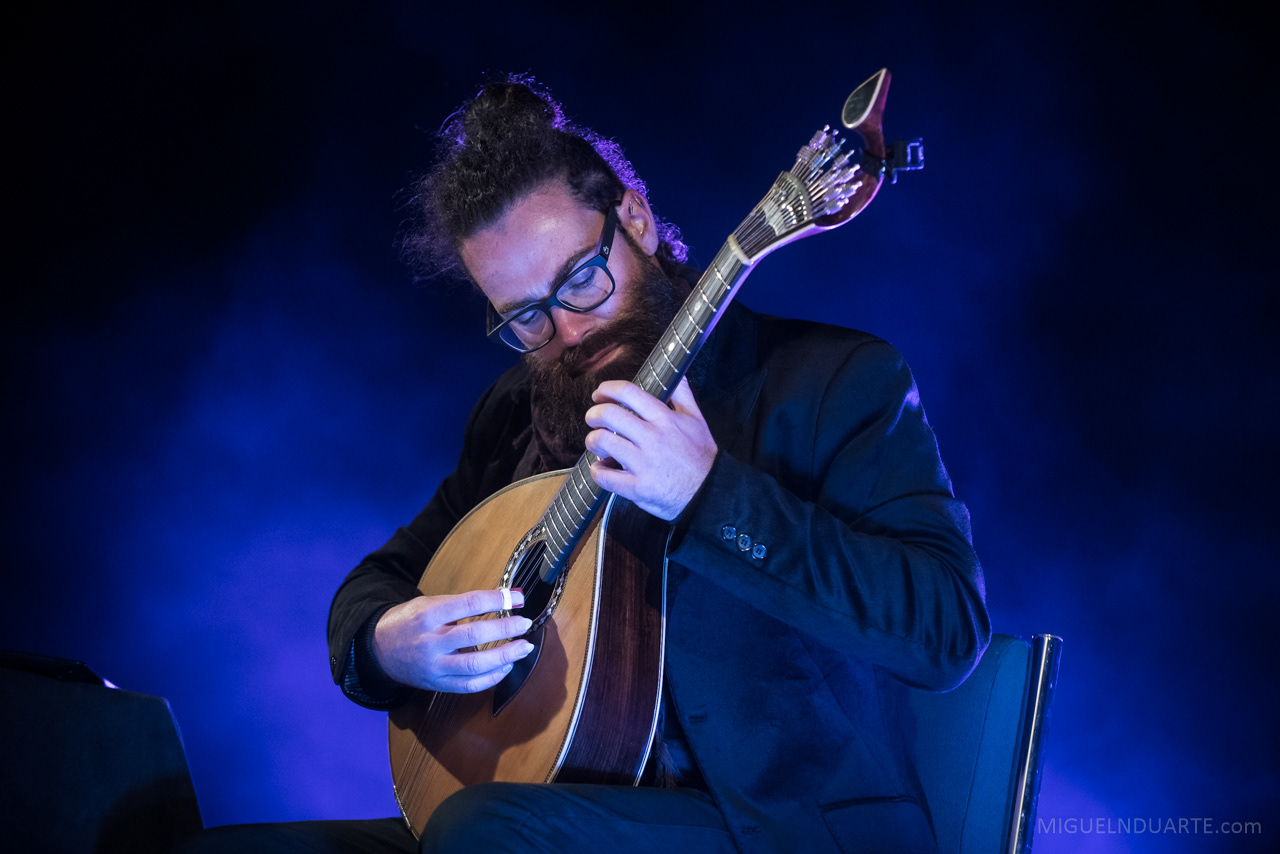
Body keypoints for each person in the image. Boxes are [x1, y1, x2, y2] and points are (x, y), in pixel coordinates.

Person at [183, 75, 989, 854]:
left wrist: (709, 495)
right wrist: (389, 643)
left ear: (634, 220)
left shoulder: (833, 381)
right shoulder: (516, 415)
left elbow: (946, 632)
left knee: (487, 833)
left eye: (580, 279)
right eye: (525, 317)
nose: (567, 331)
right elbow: (379, 582)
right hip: (532, 811)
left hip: (770, 825)